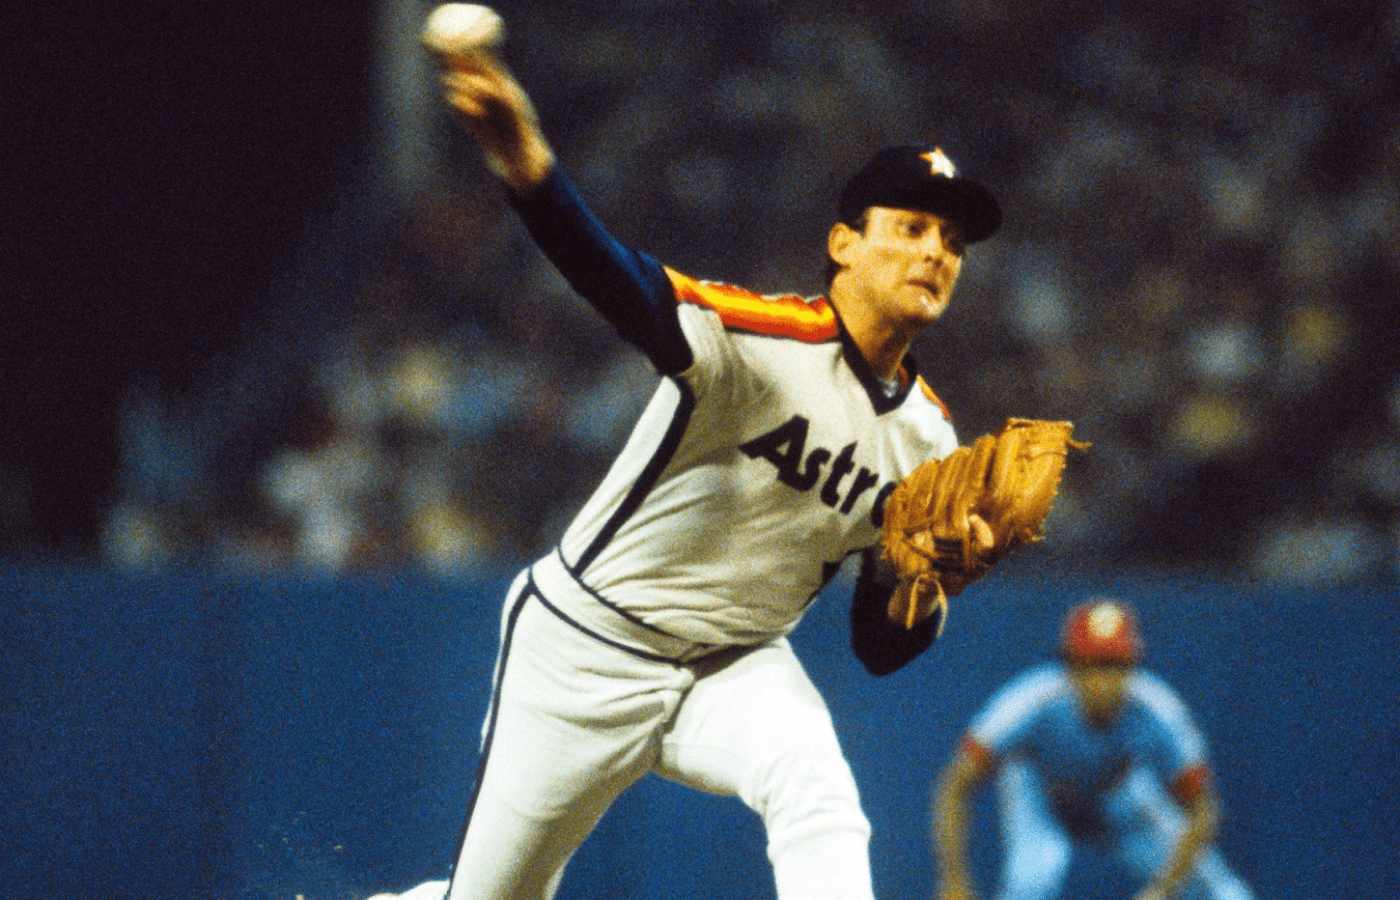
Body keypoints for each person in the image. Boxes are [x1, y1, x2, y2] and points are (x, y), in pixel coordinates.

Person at [371, 19, 1004, 900]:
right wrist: (525, 160)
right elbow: (609, 275)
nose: (936, 251)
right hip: (588, 645)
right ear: (844, 245)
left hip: (734, 662)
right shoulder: (762, 341)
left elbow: (878, 646)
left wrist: (933, 583)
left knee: (818, 792)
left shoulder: (931, 440)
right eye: (911, 226)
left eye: (953, 241)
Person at [932, 599, 1257, 900]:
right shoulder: (1032, 699)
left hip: (1116, 793)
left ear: (1134, 666)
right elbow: (956, 785)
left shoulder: (1158, 709)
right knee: (1031, 883)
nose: (1105, 681)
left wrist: (1161, 891)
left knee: (1225, 892)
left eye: (1116, 665)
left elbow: (1203, 811)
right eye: (1092, 665)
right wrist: (954, 881)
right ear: (1069, 665)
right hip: (1042, 794)